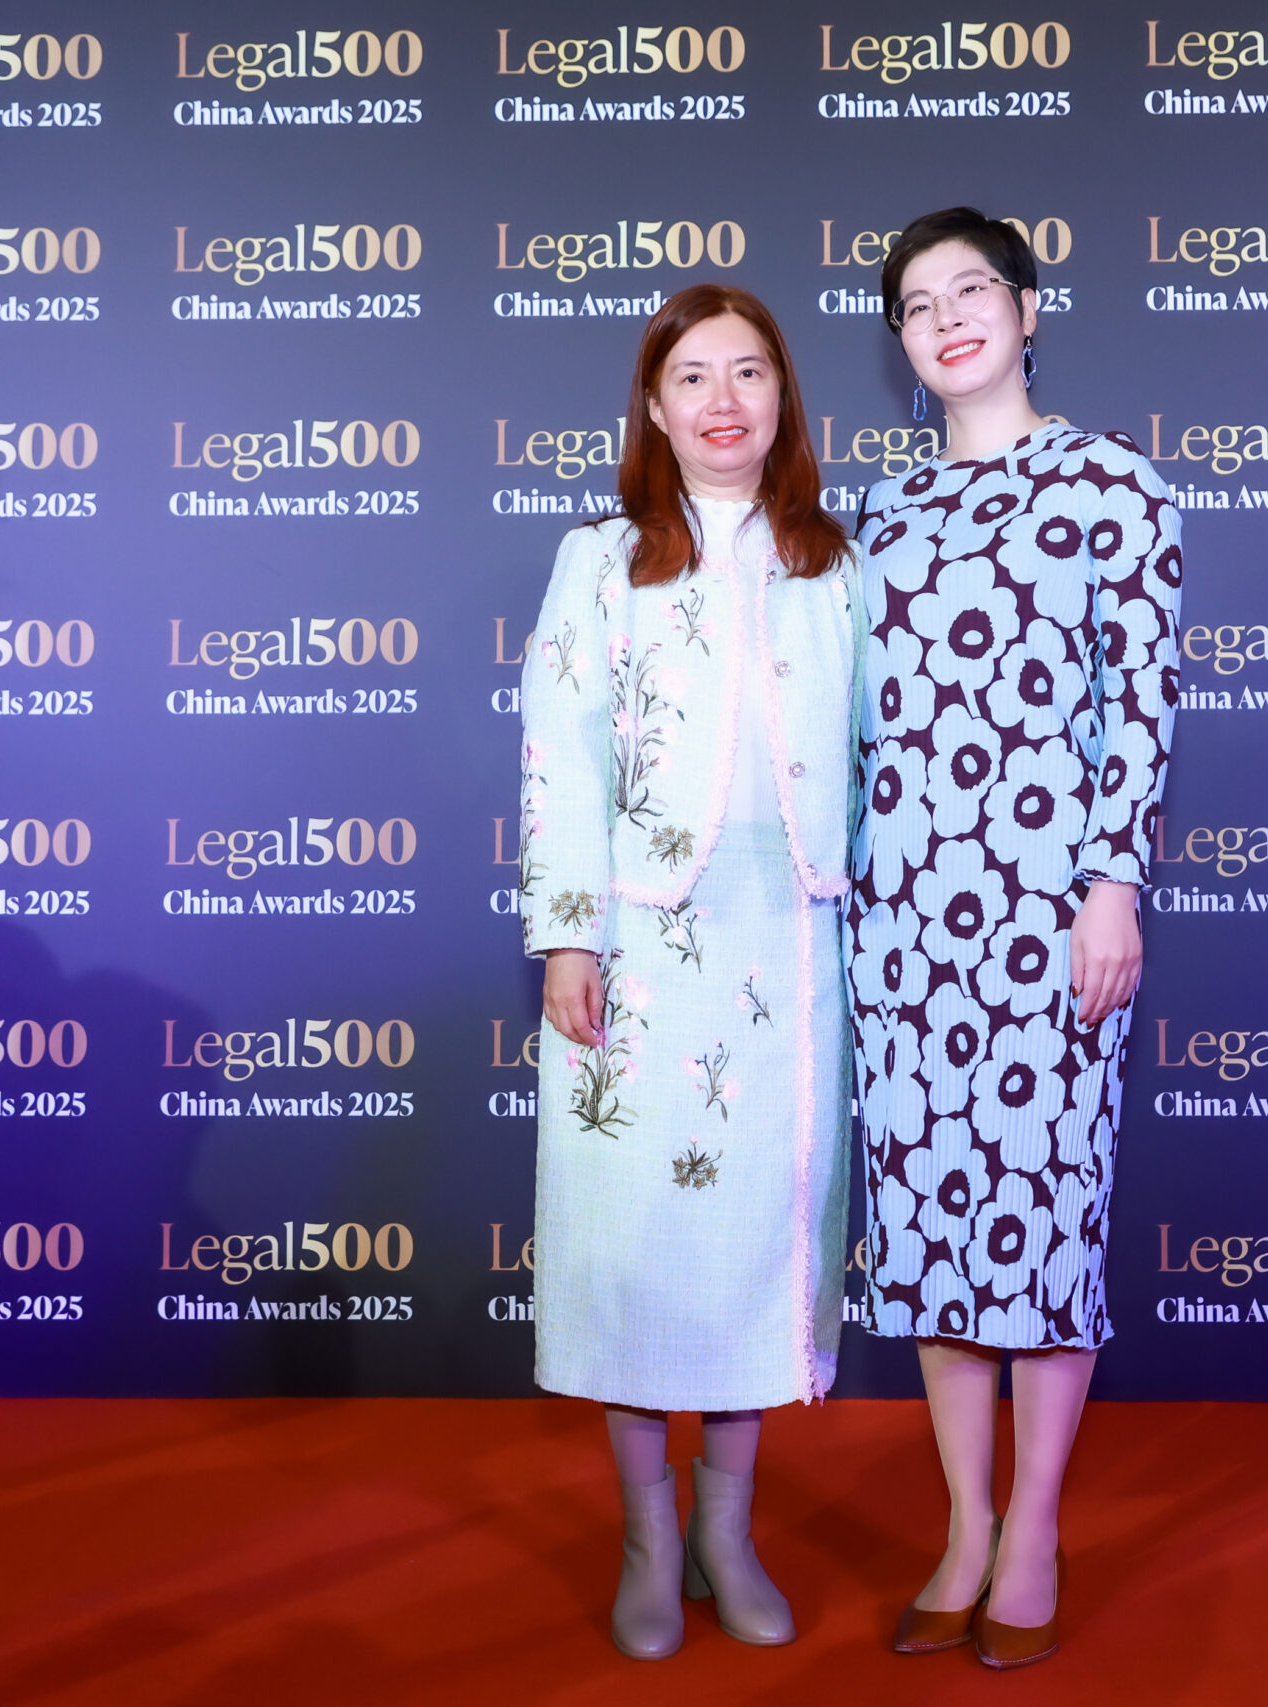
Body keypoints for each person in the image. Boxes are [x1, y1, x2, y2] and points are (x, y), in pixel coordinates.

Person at [848, 208, 1181, 1669]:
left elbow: (1141, 704)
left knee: (1045, 1221)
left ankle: (1035, 1527)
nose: (948, 318)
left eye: (972, 288)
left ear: (1030, 308)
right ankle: (964, 1524)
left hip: (1050, 914)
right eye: (918, 305)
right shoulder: (875, 516)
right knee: (932, 1226)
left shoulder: (1114, 483)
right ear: (902, 345)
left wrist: (1113, 884)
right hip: (902, 924)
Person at [517, 284, 857, 1661]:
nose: (726, 401)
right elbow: (560, 750)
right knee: (635, 1246)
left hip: (795, 951)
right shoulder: (600, 559)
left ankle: (729, 1526)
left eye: (751, 373)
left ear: (784, 397)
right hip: (640, 948)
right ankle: (648, 1533)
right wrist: (569, 934)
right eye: (696, 377)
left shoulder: (839, 560)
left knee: (756, 1248)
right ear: (654, 407)